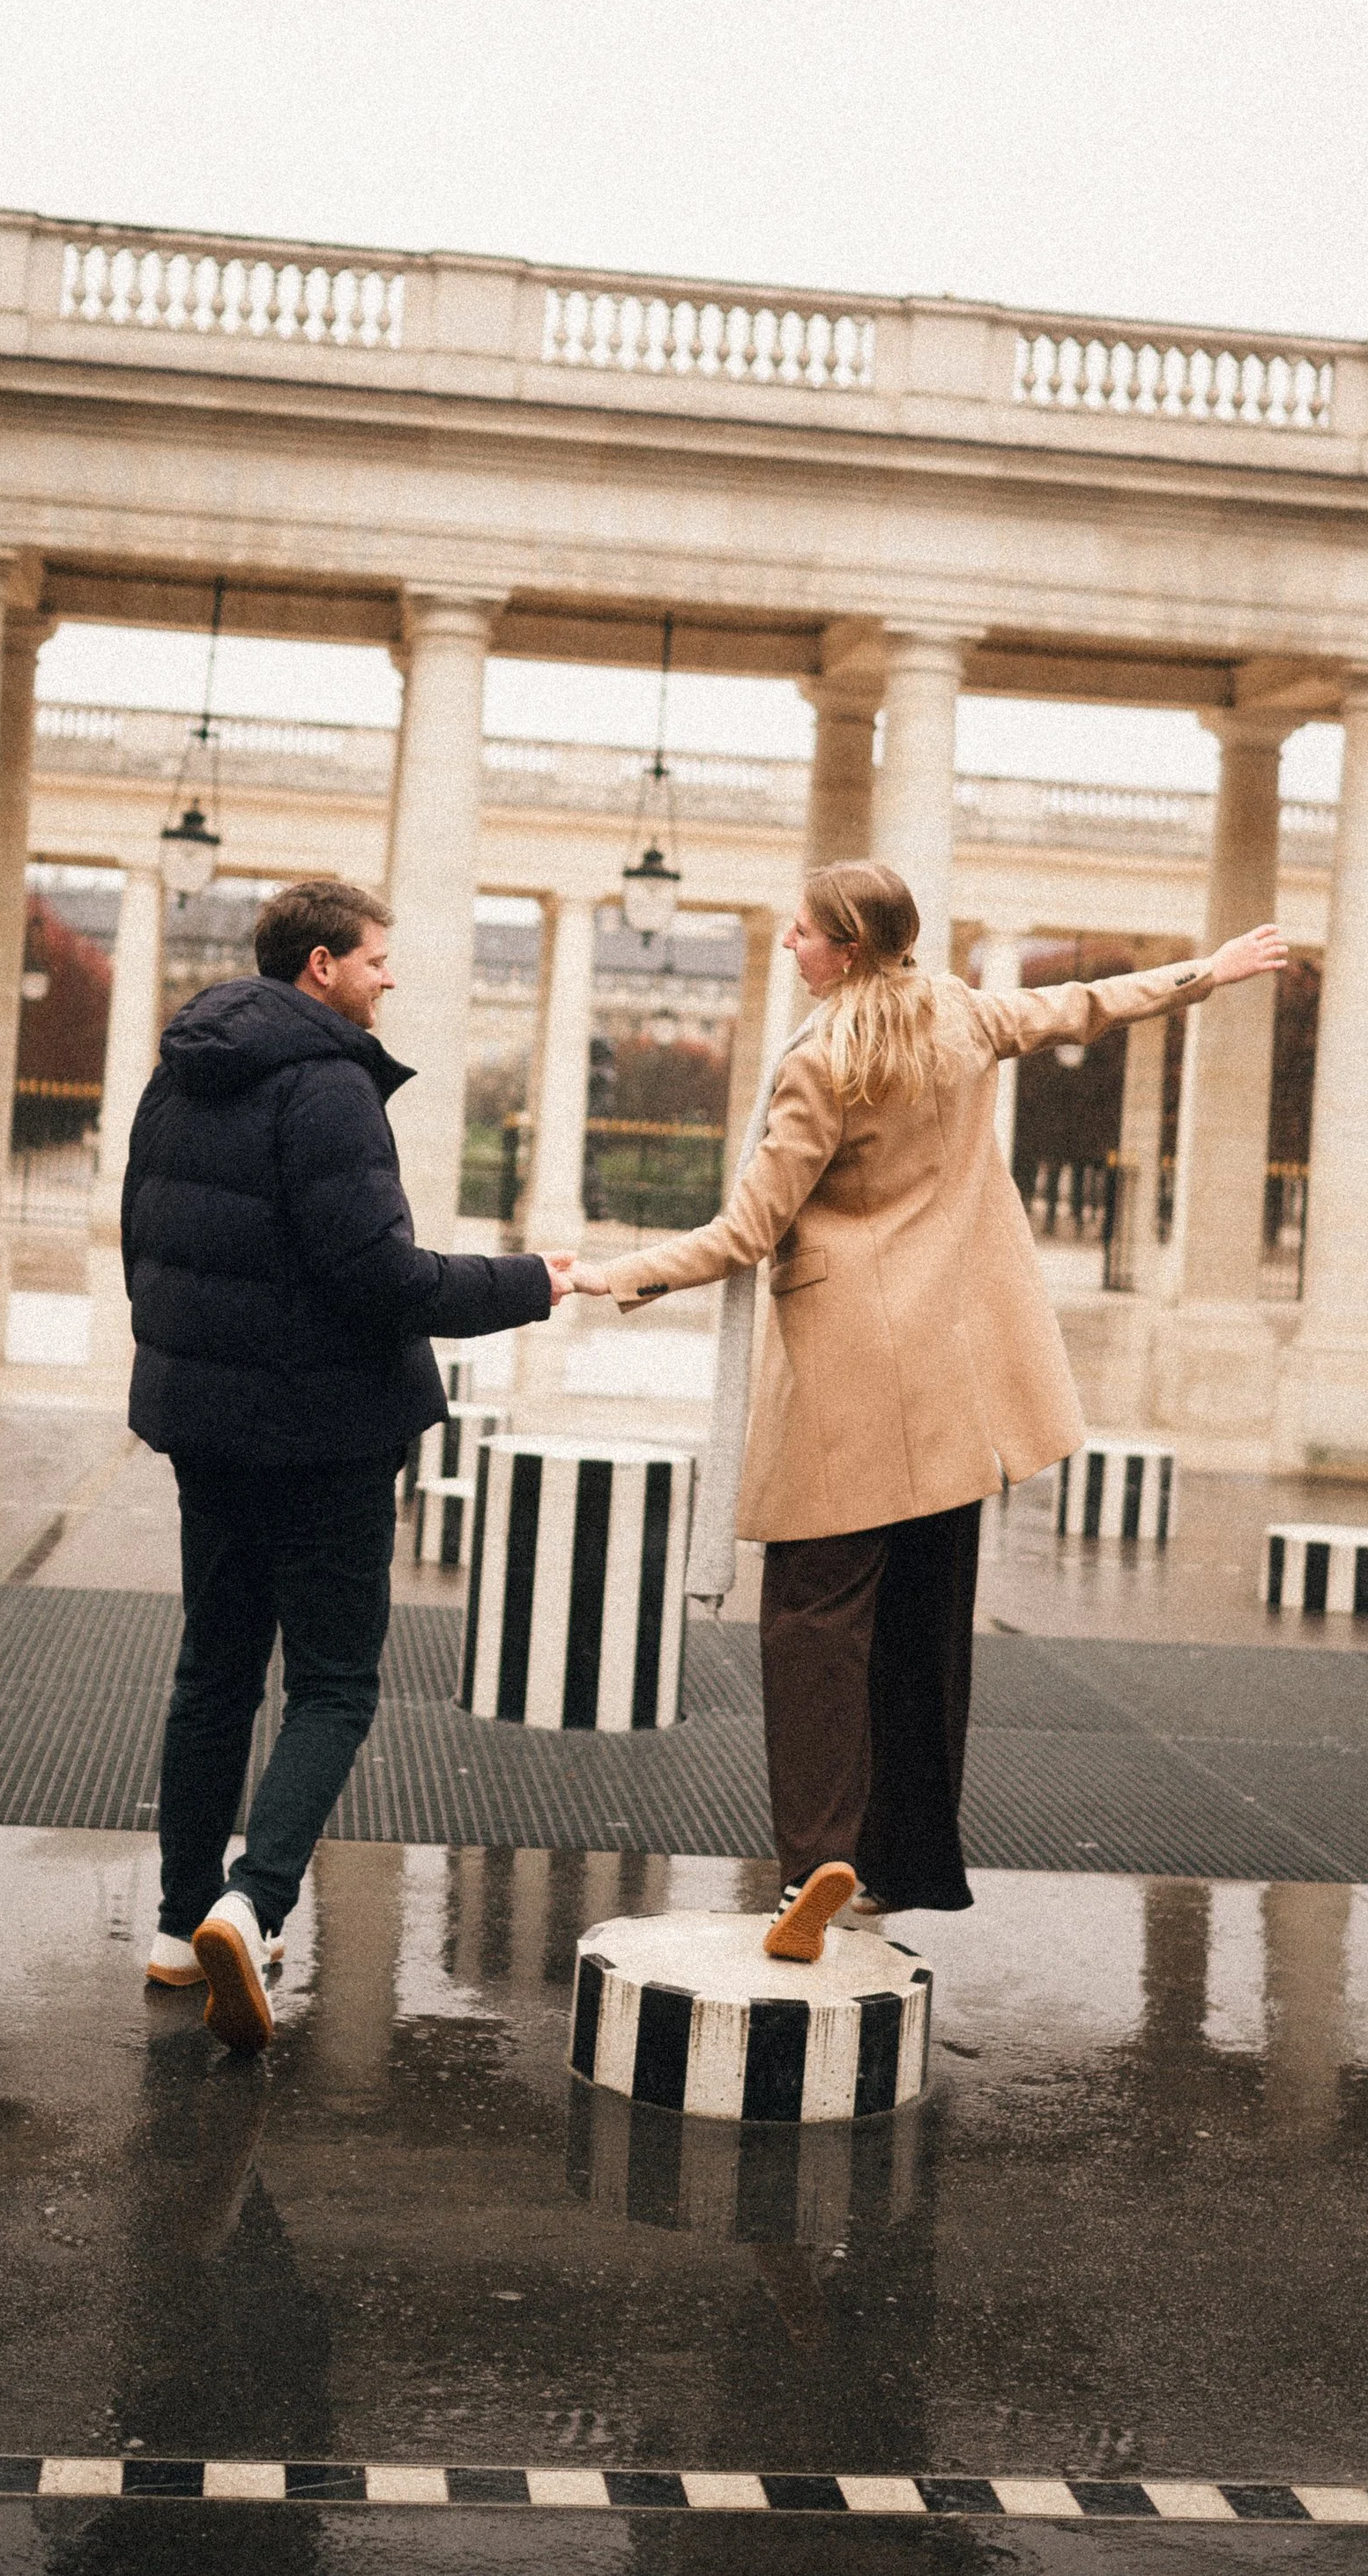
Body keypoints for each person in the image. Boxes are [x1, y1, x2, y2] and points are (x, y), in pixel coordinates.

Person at [569, 861, 1285, 1958]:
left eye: (805, 934)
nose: (791, 946)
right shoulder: (958, 1015)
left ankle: (815, 1866)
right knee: (921, 1628)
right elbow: (1086, 1006)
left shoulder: (822, 1063)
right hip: (955, 1382)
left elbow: (746, 1233)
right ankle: (900, 1861)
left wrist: (612, 1275)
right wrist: (1212, 970)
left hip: (852, 1383)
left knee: (812, 1627)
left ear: (848, 949)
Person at [122, 875, 570, 2053]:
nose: (388, 976)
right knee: (332, 1682)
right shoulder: (326, 1085)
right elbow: (382, 1274)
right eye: (377, 957)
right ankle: (254, 1901)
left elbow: (145, 1244)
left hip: (208, 1424)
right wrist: (536, 1281)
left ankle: (178, 1927)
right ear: (321, 965)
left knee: (214, 1669)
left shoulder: (181, 1070)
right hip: (322, 1433)